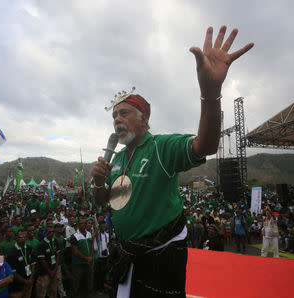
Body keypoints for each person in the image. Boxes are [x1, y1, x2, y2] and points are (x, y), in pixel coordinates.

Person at [91, 26, 253, 297]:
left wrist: (210, 93)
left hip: (161, 257)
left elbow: (206, 145)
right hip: (126, 254)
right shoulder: (116, 159)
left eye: (125, 113)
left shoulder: (161, 147)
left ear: (144, 119)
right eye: (114, 115)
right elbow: (101, 201)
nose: (117, 119)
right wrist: (98, 182)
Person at [6, 230, 36, 298]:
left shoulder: (29, 248)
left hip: (29, 281)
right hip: (17, 286)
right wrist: (26, 282)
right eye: (20, 237)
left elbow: (33, 264)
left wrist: (30, 279)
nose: (23, 238)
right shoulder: (12, 253)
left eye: (25, 236)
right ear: (15, 238)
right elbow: (13, 272)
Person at [36, 224, 59, 298]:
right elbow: (42, 260)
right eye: (49, 232)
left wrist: (55, 269)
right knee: (42, 292)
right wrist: (50, 271)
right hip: (44, 272)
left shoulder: (55, 241)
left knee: (53, 291)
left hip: (54, 270)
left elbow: (57, 255)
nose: (51, 233)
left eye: (52, 232)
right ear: (45, 233)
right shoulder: (41, 244)